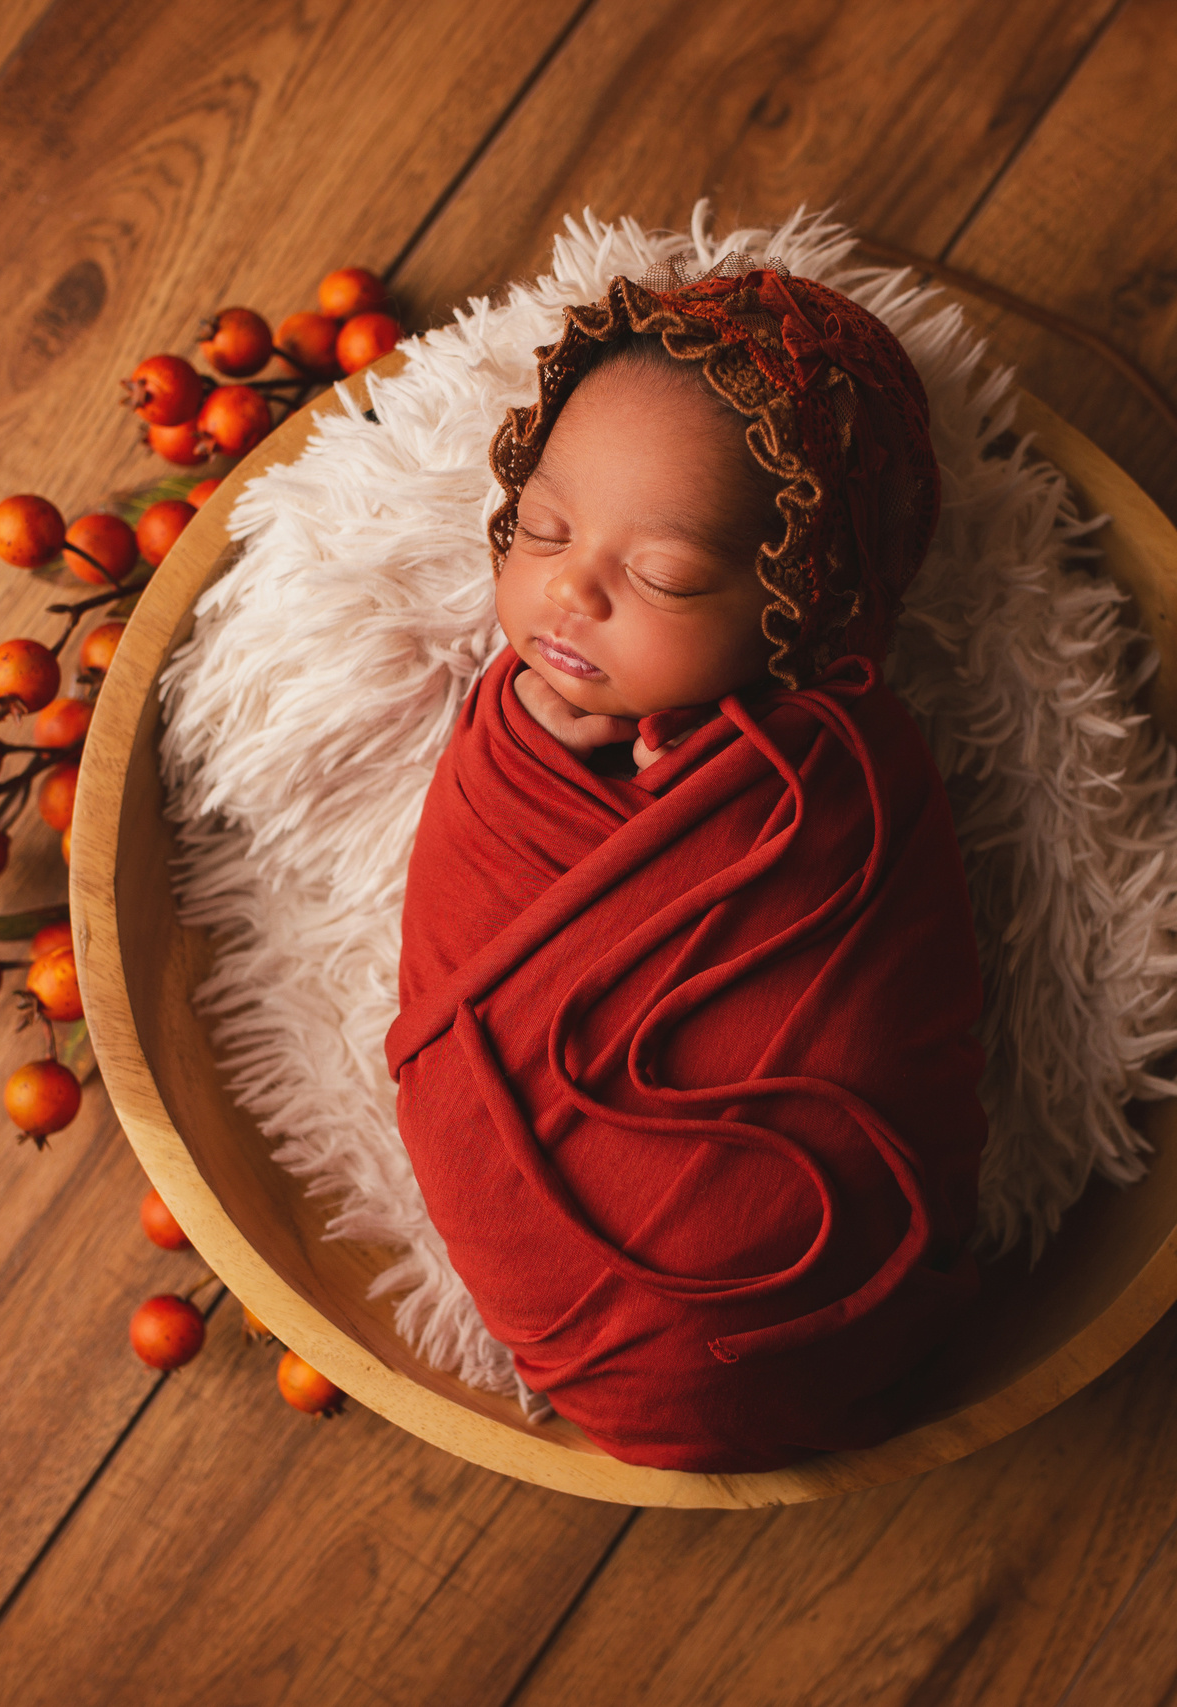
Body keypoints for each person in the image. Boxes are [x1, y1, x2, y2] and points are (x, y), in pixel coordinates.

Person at [385, 261, 988, 1471]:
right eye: (542, 528)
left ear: (795, 602)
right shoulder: (510, 740)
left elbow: (876, 999)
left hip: (790, 1279)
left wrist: (712, 788)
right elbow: (464, 920)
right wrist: (518, 757)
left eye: (660, 576)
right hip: (570, 1285)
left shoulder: (839, 780)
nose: (569, 587)